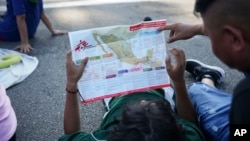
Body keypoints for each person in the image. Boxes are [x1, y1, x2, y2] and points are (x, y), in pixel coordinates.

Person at [59, 48, 206, 141]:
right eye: (152, 106)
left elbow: (71, 136)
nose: (142, 102)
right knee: (149, 64)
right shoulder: (188, 136)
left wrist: (71, 85)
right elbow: (191, 123)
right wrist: (179, 81)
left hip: (118, 95)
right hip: (159, 89)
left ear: (116, 133)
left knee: (119, 66)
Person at [158, 0, 250, 140]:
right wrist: (197, 29)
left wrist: (179, 82)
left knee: (196, 91)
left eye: (210, 36)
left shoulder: (244, 95)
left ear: (235, 39)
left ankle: (207, 77)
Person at [0, 0, 67, 53]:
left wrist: (24, 43)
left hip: (10, 32)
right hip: (29, 32)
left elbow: (21, 17)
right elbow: (41, 13)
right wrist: (52, 30)